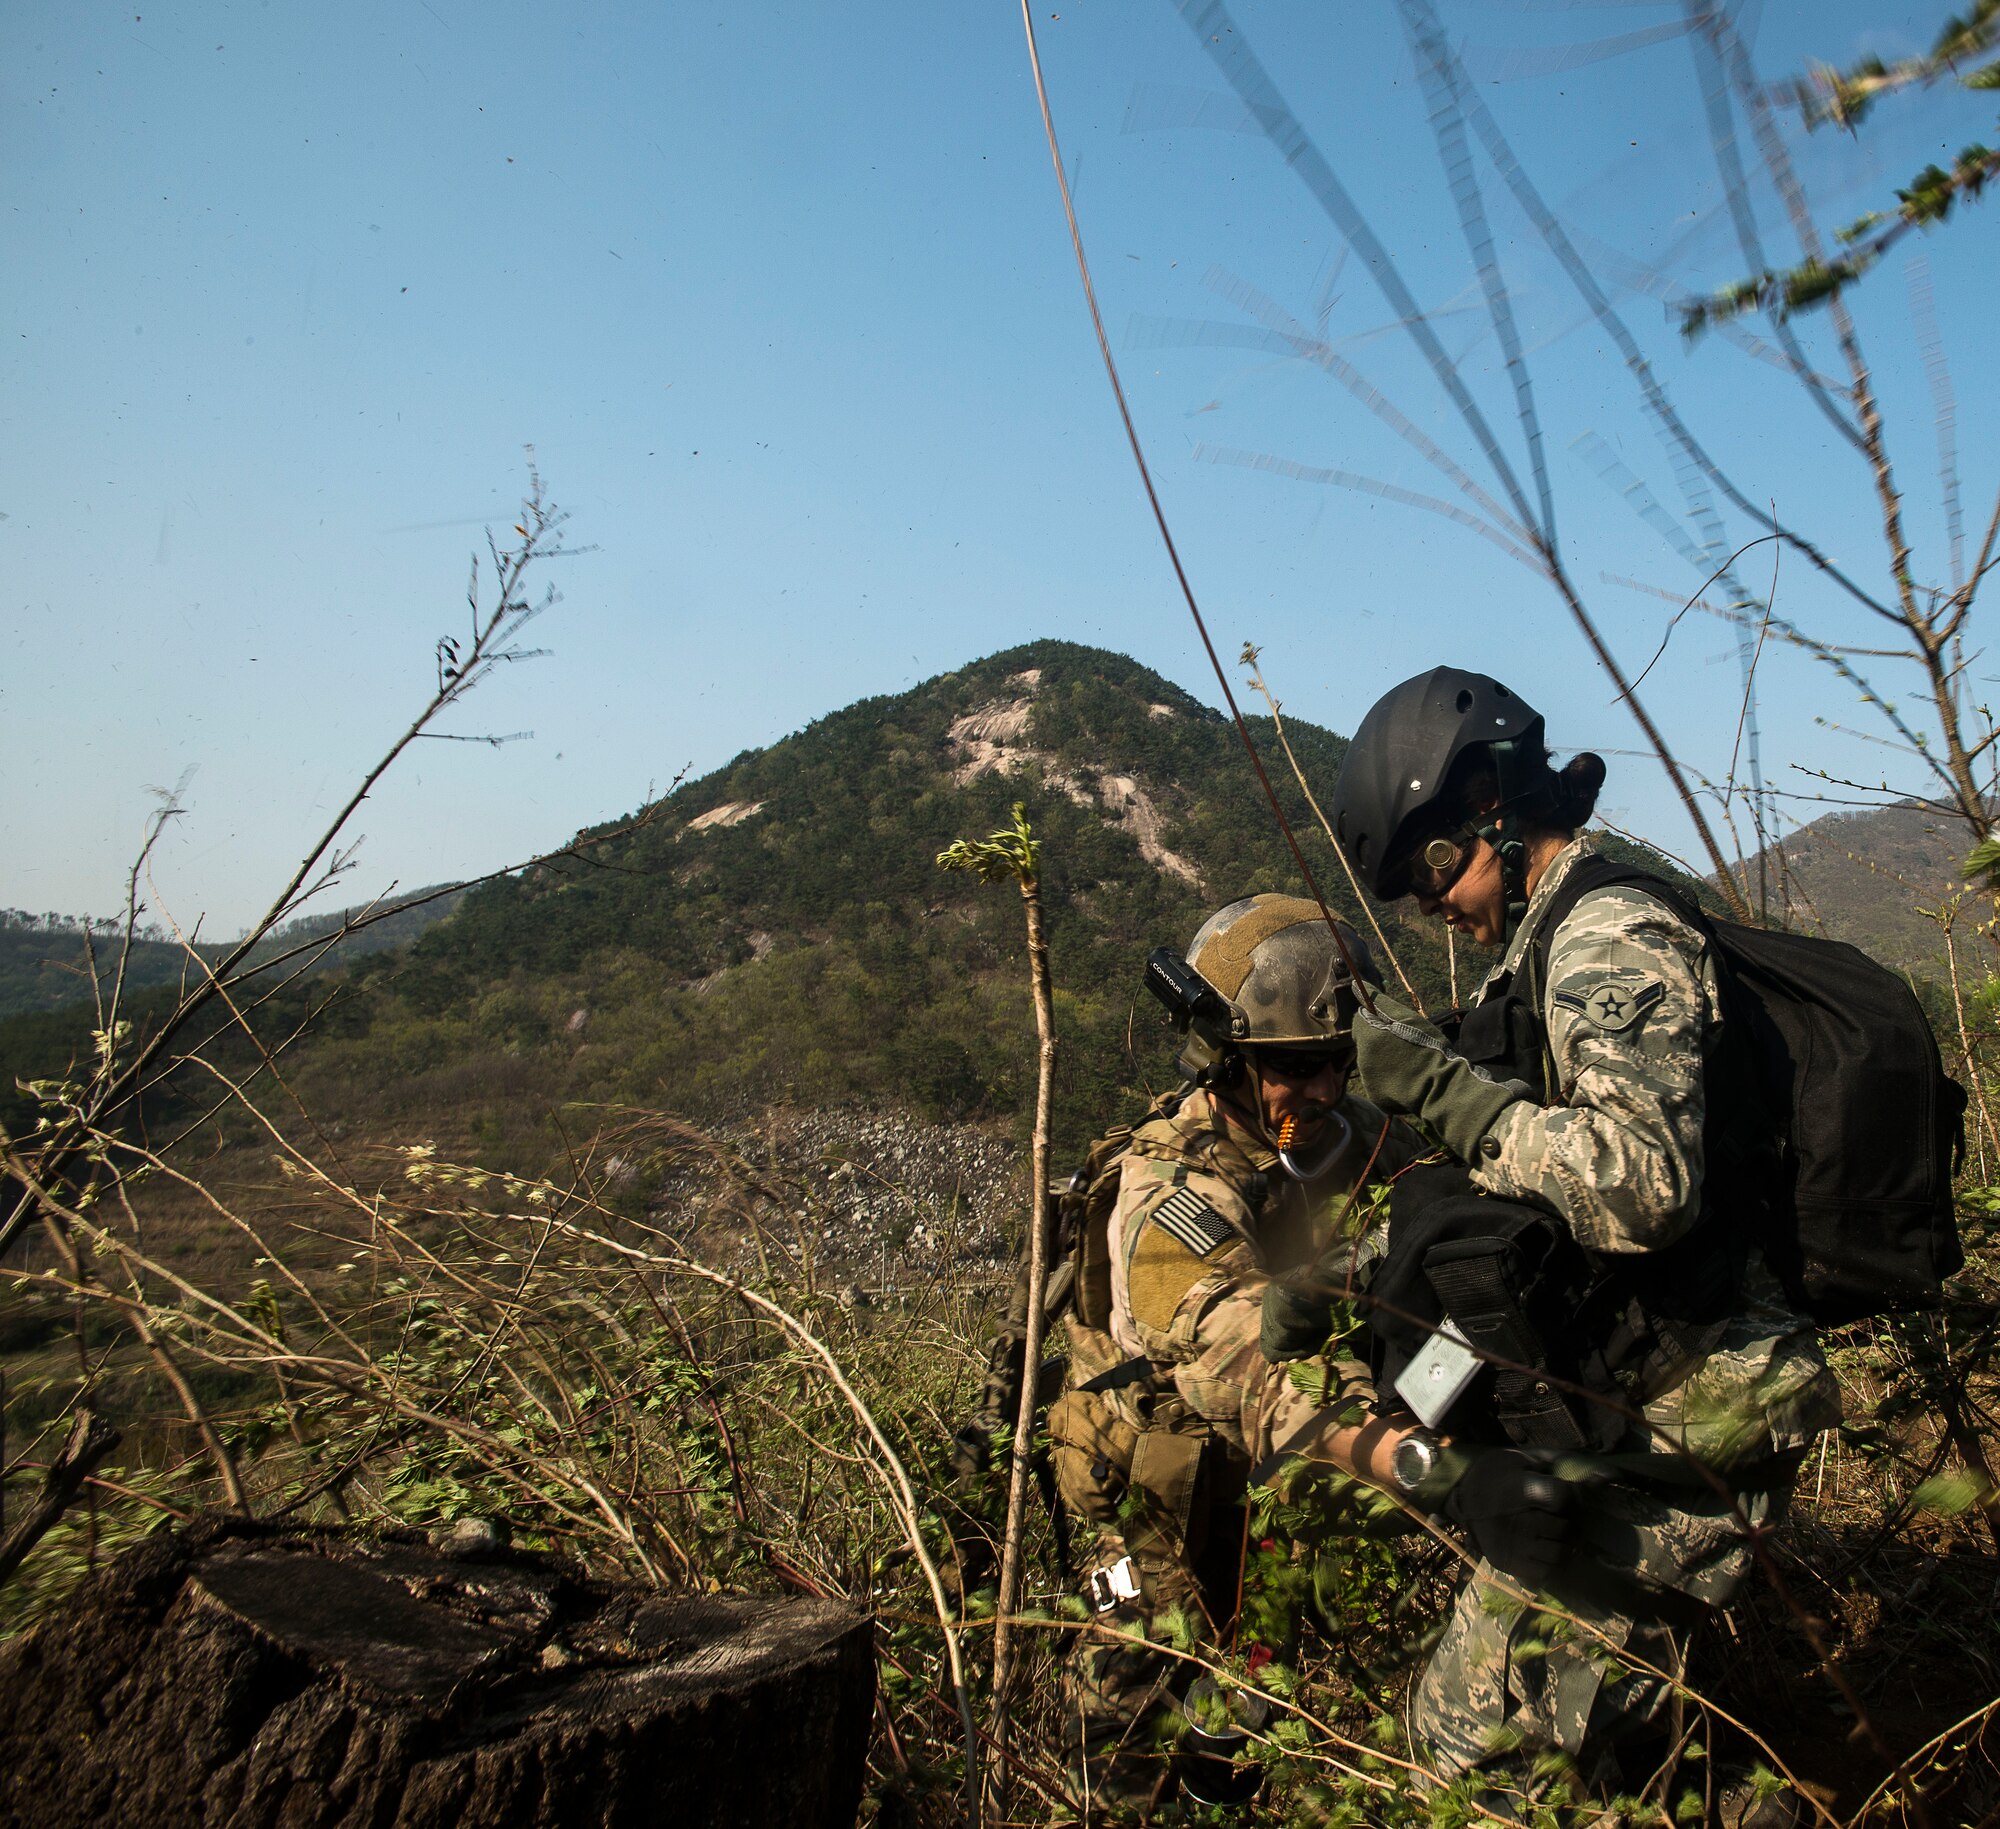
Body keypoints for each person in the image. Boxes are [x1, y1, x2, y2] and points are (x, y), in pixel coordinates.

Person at [1318, 666, 1840, 1821]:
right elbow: (1522, 1213)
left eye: (1434, 865)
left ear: (1493, 806)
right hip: (1639, 1381)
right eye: (1411, 887)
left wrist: (1461, 1103)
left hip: (1704, 1394)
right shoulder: (1537, 949)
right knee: (1553, 1729)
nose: (1433, 903)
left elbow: (1641, 1185)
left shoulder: (1606, 929)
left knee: (1468, 1758)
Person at [1048, 893, 1428, 1819]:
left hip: (1267, 1482)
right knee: (1130, 1696)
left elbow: (1442, 1198)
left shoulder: (1344, 1136)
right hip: (1144, 1486)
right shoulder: (1169, 1182)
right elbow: (1236, 1343)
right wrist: (1407, 1458)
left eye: (1340, 1063)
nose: (1326, 1091)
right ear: (1224, 1056)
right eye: (1296, 1068)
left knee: (1254, 1701)